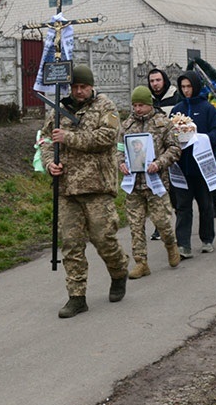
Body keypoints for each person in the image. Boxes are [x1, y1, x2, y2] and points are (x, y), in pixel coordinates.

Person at [40, 64, 130, 318]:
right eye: (75, 87)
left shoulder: (106, 107)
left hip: (97, 187)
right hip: (67, 188)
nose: (79, 91)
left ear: (91, 86)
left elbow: (106, 138)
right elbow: (46, 141)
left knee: (104, 238)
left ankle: (119, 270)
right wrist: (50, 163)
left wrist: (69, 138)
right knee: (70, 244)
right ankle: (76, 296)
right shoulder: (59, 109)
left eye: (83, 87)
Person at [118, 86, 182, 278]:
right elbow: (119, 149)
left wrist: (160, 163)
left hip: (156, 183)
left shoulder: (163, 123)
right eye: (135, 105)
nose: (138, 109)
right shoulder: (126, 125)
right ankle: (141, 262)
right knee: (135, 225)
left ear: (149, 104)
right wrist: (121, 162)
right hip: (134, 184)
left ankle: (170, 244)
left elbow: (175, 148)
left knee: (162, 222)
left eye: (141, 105)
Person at [170, 70, 216, 256]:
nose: (186, 90)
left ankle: (207, 239)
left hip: (202, 165)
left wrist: (201, 138)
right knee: (183, 207)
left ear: (196, 86)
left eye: (189, 86)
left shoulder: (208, 109)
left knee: (205, 204)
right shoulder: (176, 109)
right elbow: (168, 135)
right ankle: (183, 244)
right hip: (182, 167)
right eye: (183, 87)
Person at [146, 68, 178, 241]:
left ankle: (179, 222)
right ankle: (160, 227)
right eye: (152, 81)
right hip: (153, 153)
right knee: (157, 191)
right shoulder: (147, 100)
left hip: (172, 150)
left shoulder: (175, 97)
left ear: (164, 80)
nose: (155, 84)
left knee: (175, 191)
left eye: (158, 80)